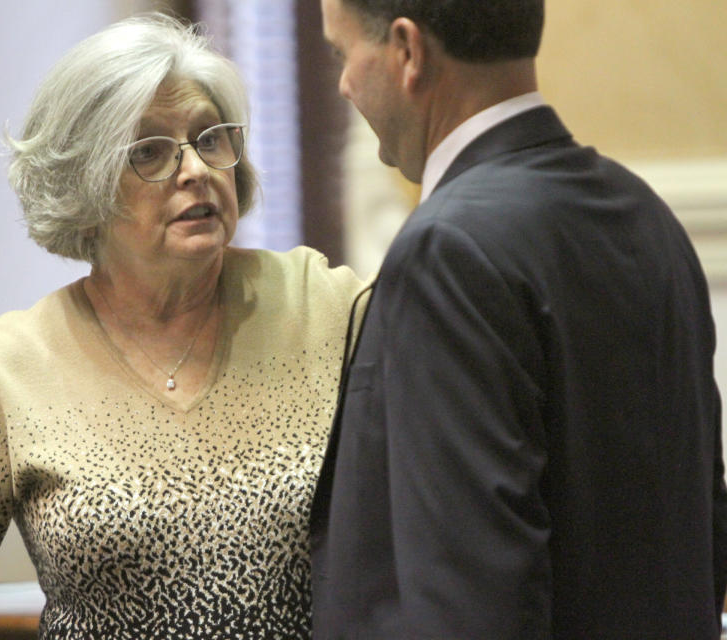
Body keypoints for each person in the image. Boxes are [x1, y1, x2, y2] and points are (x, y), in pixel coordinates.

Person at [0, 13, 363, 639]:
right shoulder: (15, 367)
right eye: (149, 151)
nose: (195, 169)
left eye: (209, 138)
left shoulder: (328, 308)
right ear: (85, 184)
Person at [311, 0, 727, 638]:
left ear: (407, 50)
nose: (341, 83)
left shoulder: (446, 250)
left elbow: (470, 603)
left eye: (344, 54)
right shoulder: (646, 216)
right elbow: (702, 536)